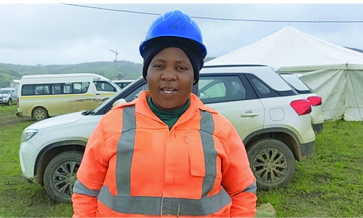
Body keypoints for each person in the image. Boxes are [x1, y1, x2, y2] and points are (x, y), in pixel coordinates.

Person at [72, 9, 257, 217]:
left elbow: (243, 192)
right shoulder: (112, 125)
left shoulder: (220, 130)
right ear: (146, 73)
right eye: (159, 65)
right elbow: (86, 192)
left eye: (181, 67)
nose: (169, 76)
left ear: (194, 76)